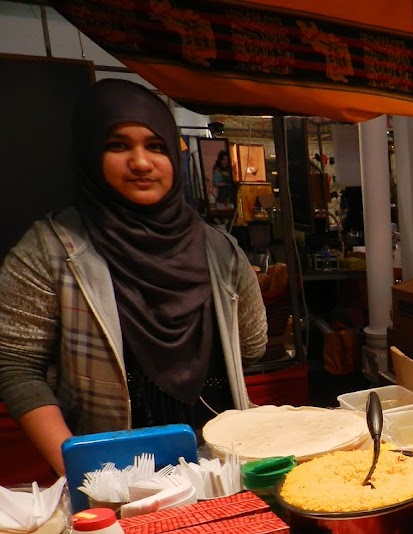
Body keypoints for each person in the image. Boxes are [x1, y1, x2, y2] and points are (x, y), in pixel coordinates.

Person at [0, 79, 267, 476]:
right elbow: (17, 367)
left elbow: (252, 345)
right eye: (118, 145)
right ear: (90, 154)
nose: (141, 162)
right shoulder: (50, 250)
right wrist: (81, 470)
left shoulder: (221, 250)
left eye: (155, 146)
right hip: (112, 469)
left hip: (220, 462)